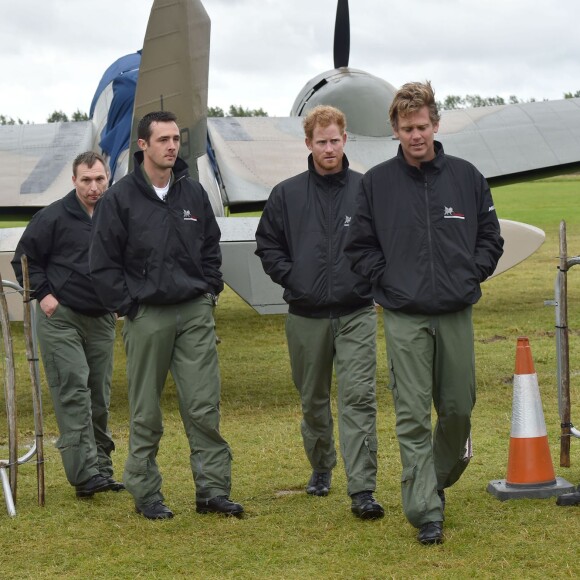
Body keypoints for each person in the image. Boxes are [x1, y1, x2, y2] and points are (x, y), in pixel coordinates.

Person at [345, 82, 504, 544]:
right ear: (394, 130)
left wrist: (468, 276)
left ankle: (434, 477)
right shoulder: (376, 183)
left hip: (455, 311)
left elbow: (490, 238)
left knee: (457, 409)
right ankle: (425, 511)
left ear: (436, 124)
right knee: (412, 415)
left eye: (422, 126)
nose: (416, 135)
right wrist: (387, 281)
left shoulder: (467, 176)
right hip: (404, 314)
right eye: (406, 128)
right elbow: (359, 246)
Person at [89, 110, 243, 520]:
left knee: (203, 405)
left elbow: (211, 244)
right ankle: (146, 492)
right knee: (146, 412)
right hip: (147, 315)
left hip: (194, 311)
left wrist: (209, 288)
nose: (172, 146)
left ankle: (212, 490)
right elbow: (102, 262)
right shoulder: (119, 198)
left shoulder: (192, 194)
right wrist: (129, 305)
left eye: (176, 138)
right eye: (162, 139)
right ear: (143, 145)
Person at [255, 105, 384, 520]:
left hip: (356, 312)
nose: (328, 148)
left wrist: (371, 281)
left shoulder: (368, 190)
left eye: (335, 140)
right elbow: (267, 244)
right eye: (320, 141)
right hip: (305, 315)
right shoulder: (286, 194)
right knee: (313, 400)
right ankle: (321, 465)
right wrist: (294, 280)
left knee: (359, 399)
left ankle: (362, 487)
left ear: (345, 140)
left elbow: (386, 242)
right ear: (308, 143)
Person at [12, 151, 123, 499]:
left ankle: (102, 469)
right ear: (74, 180)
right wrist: (42, 294)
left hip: (102, 316)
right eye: (86, 180)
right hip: (61, 317)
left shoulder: (116, 215)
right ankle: (84, 474)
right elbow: (24, 259)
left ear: (108, 179)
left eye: (99, 179)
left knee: (99, 395)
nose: (93, 187)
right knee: (73, 389)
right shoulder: (52, 217)